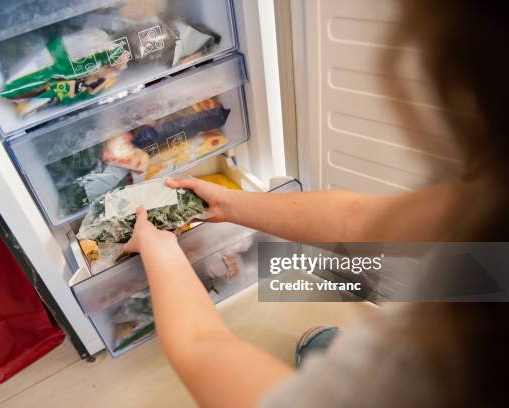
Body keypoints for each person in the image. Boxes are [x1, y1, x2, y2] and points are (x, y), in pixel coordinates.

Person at [123, 0, 509, 406]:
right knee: (335, 349)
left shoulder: (430, 376)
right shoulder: (489, 198)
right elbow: (354, 220)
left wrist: (160, 248)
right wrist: (230, 204)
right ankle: (331, 353)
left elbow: (202, 348)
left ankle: (334, 364)